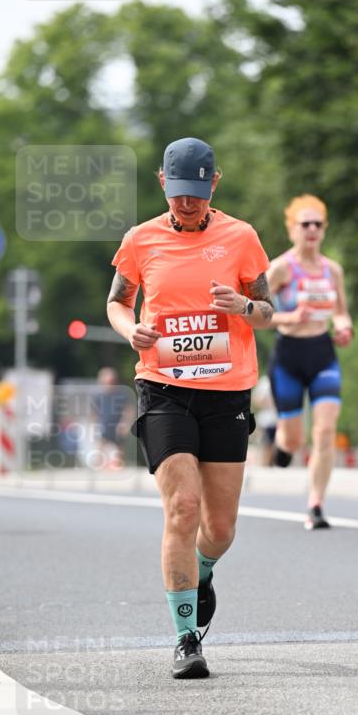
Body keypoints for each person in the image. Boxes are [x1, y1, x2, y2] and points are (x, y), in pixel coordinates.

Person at [106, 137, 272, 678]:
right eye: (179, 195)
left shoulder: (242, 238)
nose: (188, 205)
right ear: (162, 184)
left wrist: (245, 306)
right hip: (163, 387)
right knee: (182, 508)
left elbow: (271, 311)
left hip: (226, 392)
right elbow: (116, 300)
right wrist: (133, 330)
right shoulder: (140, 241)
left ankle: (202, 572)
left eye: (197, 195)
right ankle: (185, 640)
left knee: (219, 529)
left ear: (214, 184)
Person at [266, 194, 353, 529]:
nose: (313, 229)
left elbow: (342, 313)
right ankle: (283, 447)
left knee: (326, 430)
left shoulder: (333, 271)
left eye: (319, 224)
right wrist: (289, 317)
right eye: (306, 224)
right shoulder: (280, 269)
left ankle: (316, 504)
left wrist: (344, 328)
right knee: (293, 440)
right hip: (288, 357)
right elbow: (256, 314)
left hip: (322, 354)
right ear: (292, 230)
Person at [91, 367, 134, 469]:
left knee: (119, 448)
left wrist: (125, 423)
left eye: (111, 381)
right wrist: (94, 425)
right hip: (105, 426)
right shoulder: (98, 396)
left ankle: (118, 467)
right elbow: (94, 413)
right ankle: (100, 467)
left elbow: (129, 410)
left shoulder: (122, 394)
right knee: (101, 447)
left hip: (118, 427)